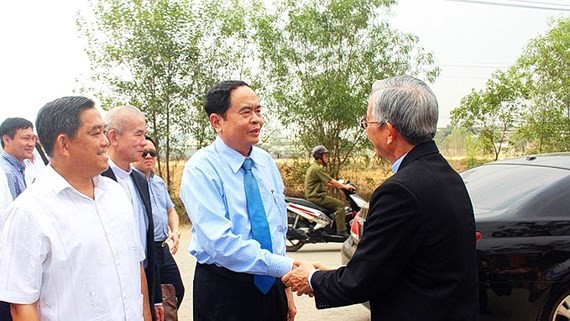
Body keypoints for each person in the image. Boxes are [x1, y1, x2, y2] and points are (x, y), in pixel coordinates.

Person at [283, 75, 479, 321]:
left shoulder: (400, 191)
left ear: (388, 131)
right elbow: (401, 263)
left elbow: (360, 282)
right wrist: (337, 272)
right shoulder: (445, 175)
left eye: (367, 121)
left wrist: (311, 278)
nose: (366, 129)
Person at [0, 96, 151, 320]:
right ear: (64, 144)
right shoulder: (30, 211)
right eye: (95, 133)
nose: (105, 142)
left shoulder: (115, 194)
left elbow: (135, 268)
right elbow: (22, 305)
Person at [179, 80, 296, 321]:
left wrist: (285, 285)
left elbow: (277, 227)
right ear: (216, 122)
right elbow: (220, 244)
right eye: (246, 112)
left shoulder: (265, 162)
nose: (257, 119)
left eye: (258, 110)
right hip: (225, 289)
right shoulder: (201, 169)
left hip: (271, 283)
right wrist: (285, 266)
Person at [101, 106, 163, 321]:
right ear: (113, 137)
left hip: (142, 283)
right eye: (138, 134)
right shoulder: (97, 182)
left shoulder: (139, 180)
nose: (144, 142)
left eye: (144, 135)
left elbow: (146, 244)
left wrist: (155, 297)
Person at [133, 136, 185, 319]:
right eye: (143, 153)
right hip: (146, 249)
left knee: (176, 289)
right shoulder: (129, 183)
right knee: (152, 297)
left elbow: (171, 210)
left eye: (152, 153)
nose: (148, 156)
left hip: (163, 248)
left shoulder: (158, 182)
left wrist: (176, 231)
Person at [0, 117, 35, 320]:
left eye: (32, 138)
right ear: (6, 140)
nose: (31, 143)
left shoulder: (24, 171)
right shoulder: (5, 173)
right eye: (25, 138)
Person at [305, 145, 355, 237]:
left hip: (315, 196)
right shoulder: (317, 169)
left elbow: (328, 183)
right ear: (319, 157)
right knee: (340, 205)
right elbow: (331, 181)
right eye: (326, 156)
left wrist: (340, 187)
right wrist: (345, 186)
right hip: (317, 197)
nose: (328, 158)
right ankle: (341, 232)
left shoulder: (314, 167)